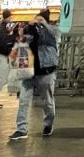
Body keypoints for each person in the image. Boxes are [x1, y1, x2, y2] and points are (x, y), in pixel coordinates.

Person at [8, 10, 59, 140]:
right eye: (36, 19)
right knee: (23, 100)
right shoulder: (31, 31)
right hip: (28, 71)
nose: (37, 22)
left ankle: (48, 124)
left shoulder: (52, 31)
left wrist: (41, 24)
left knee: (47, 101)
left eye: (41, 20)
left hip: (45, 71)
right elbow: (22, 42)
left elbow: (47, 35)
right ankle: (21, 129)